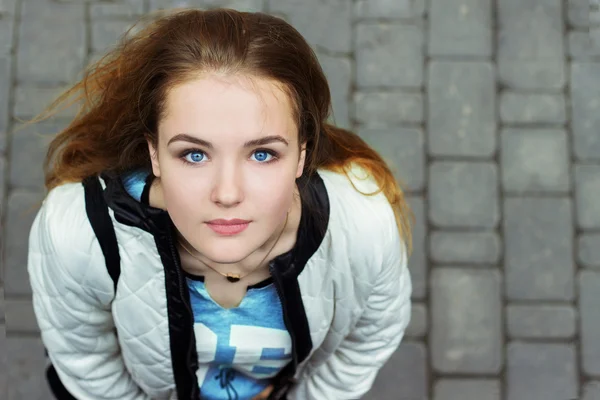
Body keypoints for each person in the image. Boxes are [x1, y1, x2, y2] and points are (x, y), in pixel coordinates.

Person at [26, 7, 413, 400]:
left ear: (301, 154)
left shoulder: (364, 226)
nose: (227, 194)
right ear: (154, 153)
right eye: (194, 154)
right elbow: (87, 365)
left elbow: (364, 344)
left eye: (262, 154)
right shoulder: (76, 233)